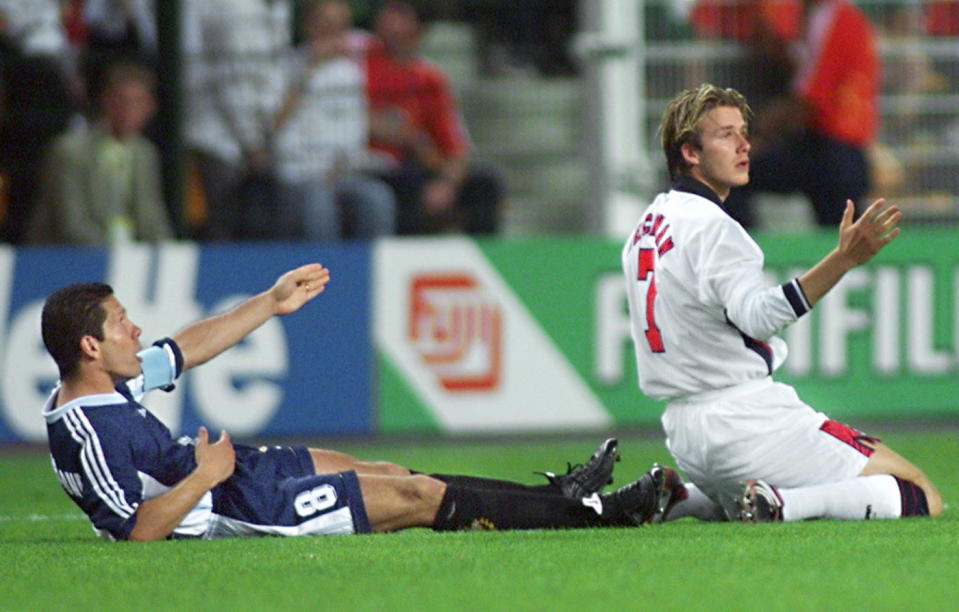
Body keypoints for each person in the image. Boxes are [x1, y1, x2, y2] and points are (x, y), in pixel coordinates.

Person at [41, 262, 686, 541]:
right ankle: (601, 514)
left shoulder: (106, 382)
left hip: (235, 473)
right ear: (90, 346)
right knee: (415, 500)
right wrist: (206, 476)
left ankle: (559, 497)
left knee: (392, 475)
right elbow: (135, 531)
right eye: (122, 323)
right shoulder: (87, 433)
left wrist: (270, 302)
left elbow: (188, 347)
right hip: (233, 506)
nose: (136, 331)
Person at [621, 83, 942, 523]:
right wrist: (843, 259)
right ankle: (784, 505)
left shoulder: (648, 223)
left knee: (748, 487)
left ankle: (684, 498)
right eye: (725, 135)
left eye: (743, 132)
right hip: (747, 422)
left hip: (684, 431)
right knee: (919, 493)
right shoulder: (716, 229)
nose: (743, 145)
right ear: (690, 154)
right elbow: (757, 316)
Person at [721, 0, 879, 229]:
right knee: (842, 238)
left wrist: (756, 136)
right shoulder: (824, 16)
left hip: (833, 148)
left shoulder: (831, 17)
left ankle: (738, 256)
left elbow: (808, 98)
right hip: (833, 148)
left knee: (730, 172)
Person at [364, 0, 504, 235]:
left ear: (419, 27)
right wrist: (404, 136)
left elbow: (457, 148)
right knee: (404, 184)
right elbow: (354, 117)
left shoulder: (431, 79)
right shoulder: (360, 62)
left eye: (399, 13)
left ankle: (487, 259)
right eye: (386, 11)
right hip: (374, 166)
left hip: (418, 167)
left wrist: (446, 184)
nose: (388, 18)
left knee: (486, 182)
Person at [271, 0, 396, 241]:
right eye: (326, 25)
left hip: (340, 171)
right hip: (297, 172)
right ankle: (323, 274)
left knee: (378, 198)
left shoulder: (349, 73)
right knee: (318, 204)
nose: (333, 33)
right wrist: (309, 70)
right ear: (310, 26)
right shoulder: (287, 67)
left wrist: (338, 166)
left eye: (339, 27)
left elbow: (353, 130)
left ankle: (372, 271)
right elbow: (276, 127)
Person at [26, 61, 173, 245]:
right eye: (121, 100)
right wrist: (115, 255)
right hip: (73, 258)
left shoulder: (146, 153)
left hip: (132, 258)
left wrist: (166, 250)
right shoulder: (70, 151)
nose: (127, 110)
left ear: (150, 107)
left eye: (137, 102)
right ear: (105, 100)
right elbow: (72, 224)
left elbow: (153, 218)